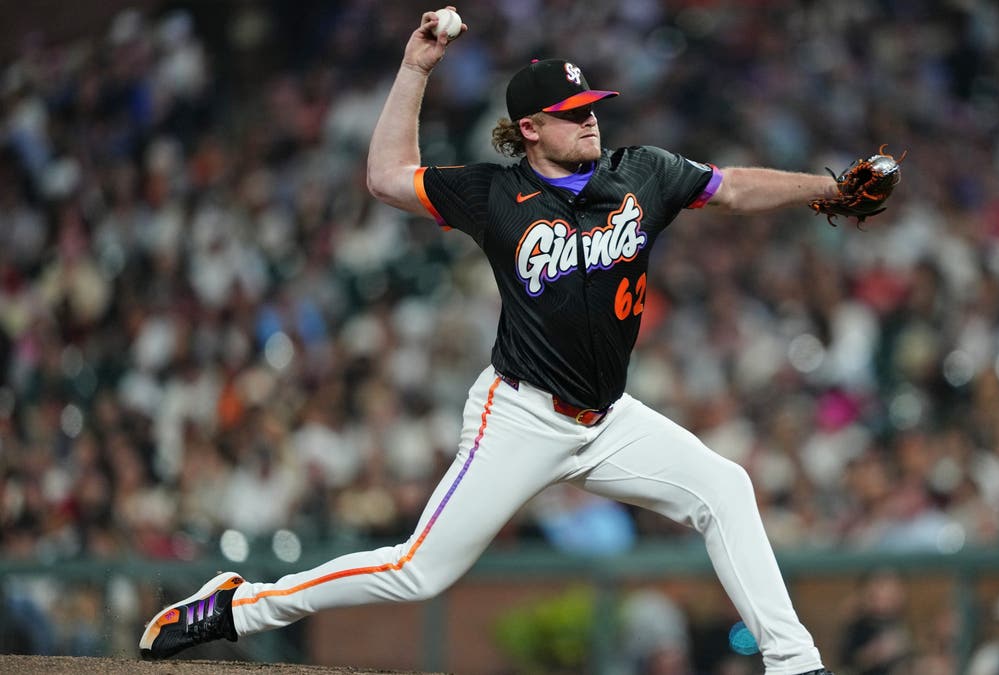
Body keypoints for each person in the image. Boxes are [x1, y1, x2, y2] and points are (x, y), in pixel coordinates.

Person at [139, 7, 870, 674]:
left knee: (724, 486)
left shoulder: (642, 172)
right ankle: (237, 605)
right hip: (519, 415)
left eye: (592, 108)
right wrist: (416, 68)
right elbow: (387, 176)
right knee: (417, 570)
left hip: (608, 417)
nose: (590, 121)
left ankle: (793, 663)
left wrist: (828, 190)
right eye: (571, 113)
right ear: (530, 128)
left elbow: (735, 186)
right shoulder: (494, 193)